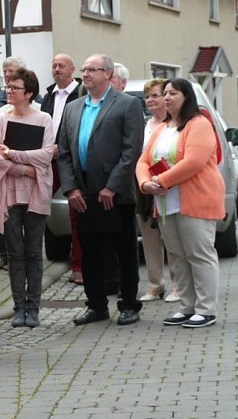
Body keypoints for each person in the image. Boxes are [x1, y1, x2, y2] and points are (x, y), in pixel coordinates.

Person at [57, 54, 144, 326]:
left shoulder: (127, 104)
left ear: (107, 73)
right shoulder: (73, 108)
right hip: (84, 193)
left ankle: (129, 304)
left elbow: (131, 151)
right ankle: (96, 305)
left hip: (116, 194)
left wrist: (112, 186)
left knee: (124, 251)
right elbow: (64, 153)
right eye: (84, 70)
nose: (85, 74)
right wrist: (71, 189)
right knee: (90, 252)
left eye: (92, 69)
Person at [136, 78, 225, 328]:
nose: (166, 97)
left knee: (199, 254)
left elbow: (193, 162)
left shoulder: (199, 124)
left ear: (186, 97)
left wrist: (160, 180)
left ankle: (206, 310)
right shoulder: (162, 128)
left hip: (196, 200)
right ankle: (187, 307)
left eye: (173, 93)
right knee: (177, 256)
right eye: (164, 93)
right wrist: (145, 184)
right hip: (167, 203)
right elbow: (143, 161)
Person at [0, 68, 54, 328]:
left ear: (29, 93)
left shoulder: (43, 118)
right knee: (15, 253)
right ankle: (19, 308)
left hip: (36, 193)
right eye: (8, 86)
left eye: (15, 87)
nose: (9, 91)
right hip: (9, 194)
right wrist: (24, 169)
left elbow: (47, 155)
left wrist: (13, 154)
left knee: (34, 252)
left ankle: (33, 308)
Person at [39, 53, 86, 284]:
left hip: (71, 161)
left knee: (76, 212)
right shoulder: (49, 95)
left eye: (61, 66)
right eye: (54, 65)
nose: (57, 69)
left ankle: (79, 266)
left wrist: (63, 147)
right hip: (47, 160)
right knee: (40, 207)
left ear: (72, 69)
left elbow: (84, 128)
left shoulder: (81, 93)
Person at [136, 78, 179, 303]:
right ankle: (155, 285)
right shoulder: (144, 125)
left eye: (155, 95)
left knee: (172, 239)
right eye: (147, 97)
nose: (150, 100)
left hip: (171, 188)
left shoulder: (175, 124)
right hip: (147, 189)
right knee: (150, 238)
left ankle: (178, 285)